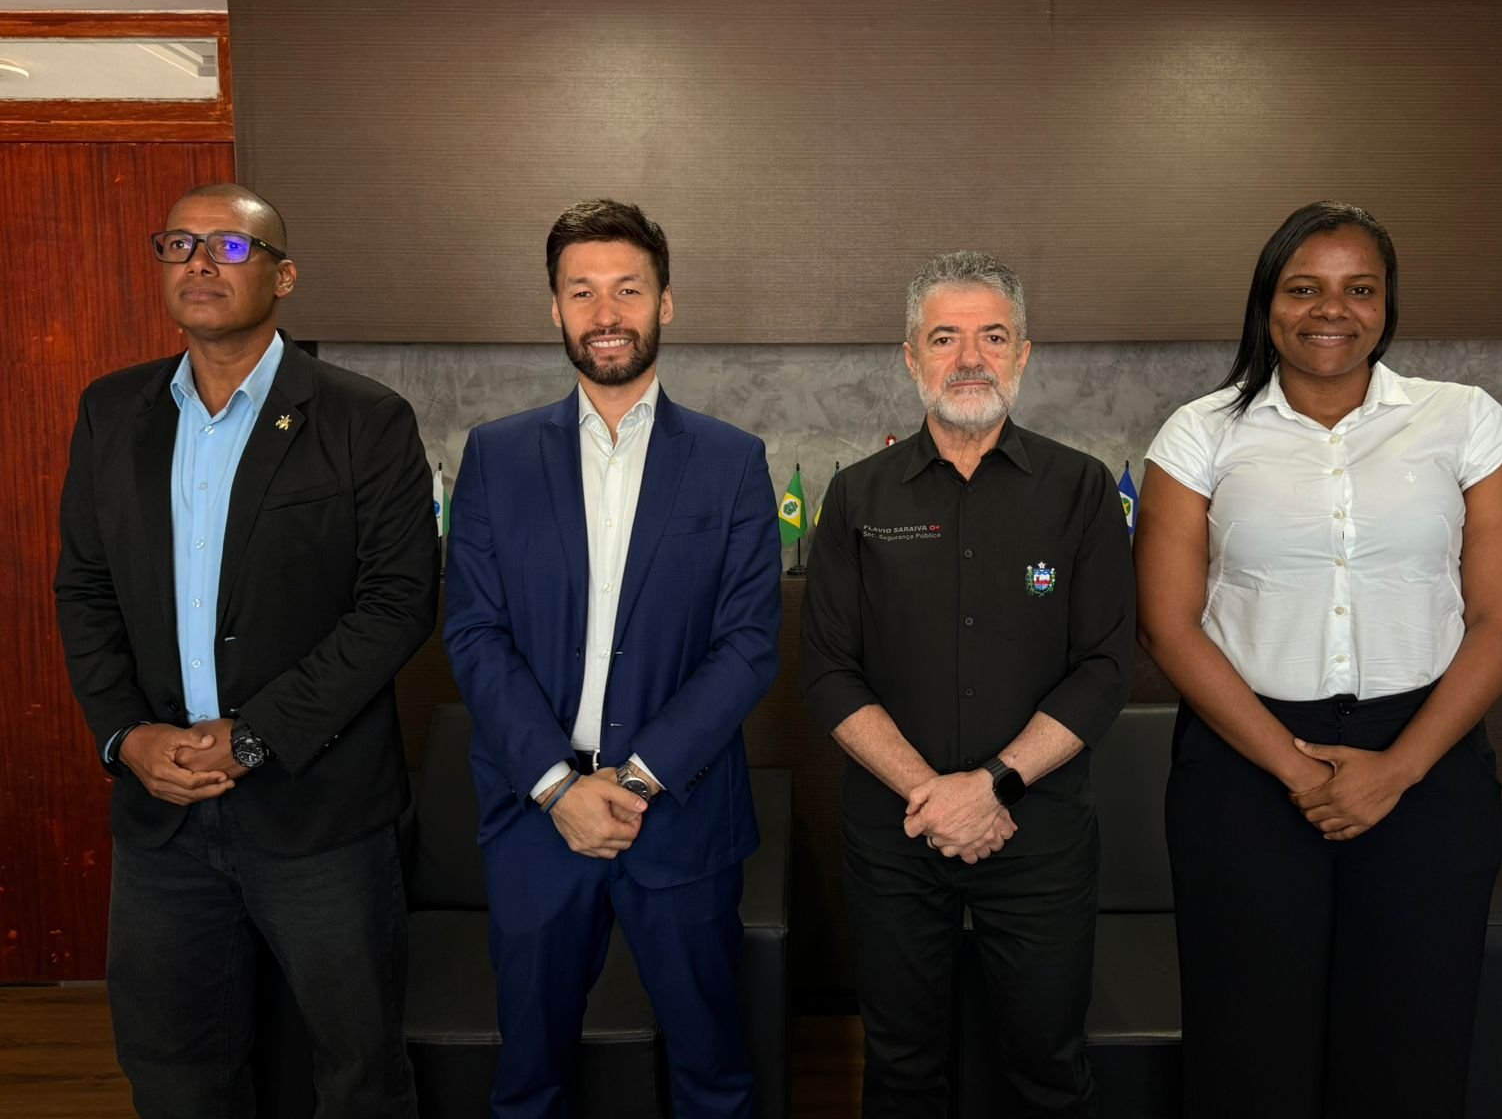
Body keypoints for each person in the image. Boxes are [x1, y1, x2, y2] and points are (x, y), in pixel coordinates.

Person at [1135, 200, 1502, 1119]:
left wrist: (1396, 770)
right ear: (1267, 302)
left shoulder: (1466, 421)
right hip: (1245, 767)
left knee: (1412, 1043)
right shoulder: (1200, 432)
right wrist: (1298, 770)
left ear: (1388, 304)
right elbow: (1168, 627)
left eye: (1360, 289)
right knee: (1248, 1047)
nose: (1332, 310)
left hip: (1428, 761)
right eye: (1304, 288)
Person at [54, 183, 440, 1117]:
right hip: (163, 815)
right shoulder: (112, 411)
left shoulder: (364, 417)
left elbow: (398, 604)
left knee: (355, 1070)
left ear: (284, 276)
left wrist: (258, 734)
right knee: (173, 1066)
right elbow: (86, 589)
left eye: (229, 247)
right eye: (178, 244)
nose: (198, 262)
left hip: (319, 816)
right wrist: (126, 736)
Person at [443, 198, 782, 1118]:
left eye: (627, 290)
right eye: (581, 291)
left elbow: (749, 646)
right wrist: (559, 788)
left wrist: (633, 782)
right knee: (530, 1080)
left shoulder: (732, 461)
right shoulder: (496, 456)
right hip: (535, 820)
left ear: (664, 303)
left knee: (713, 1075)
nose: (605, 313)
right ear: (553, 308)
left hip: (680, 818)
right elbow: (474, 633)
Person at [798, 250, 1136, 1118]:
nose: (970, 357)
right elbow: (828, 672)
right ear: (911, 357)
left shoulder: (1082, 490)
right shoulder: (857, 496)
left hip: (1040, 833)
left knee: (1048, 1068)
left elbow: (1105, 668)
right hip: (895, 836)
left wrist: (991, 788)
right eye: (945, 338)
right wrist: (936, 796)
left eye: (993, 336)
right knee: (903, 1069)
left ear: (1024, 353)